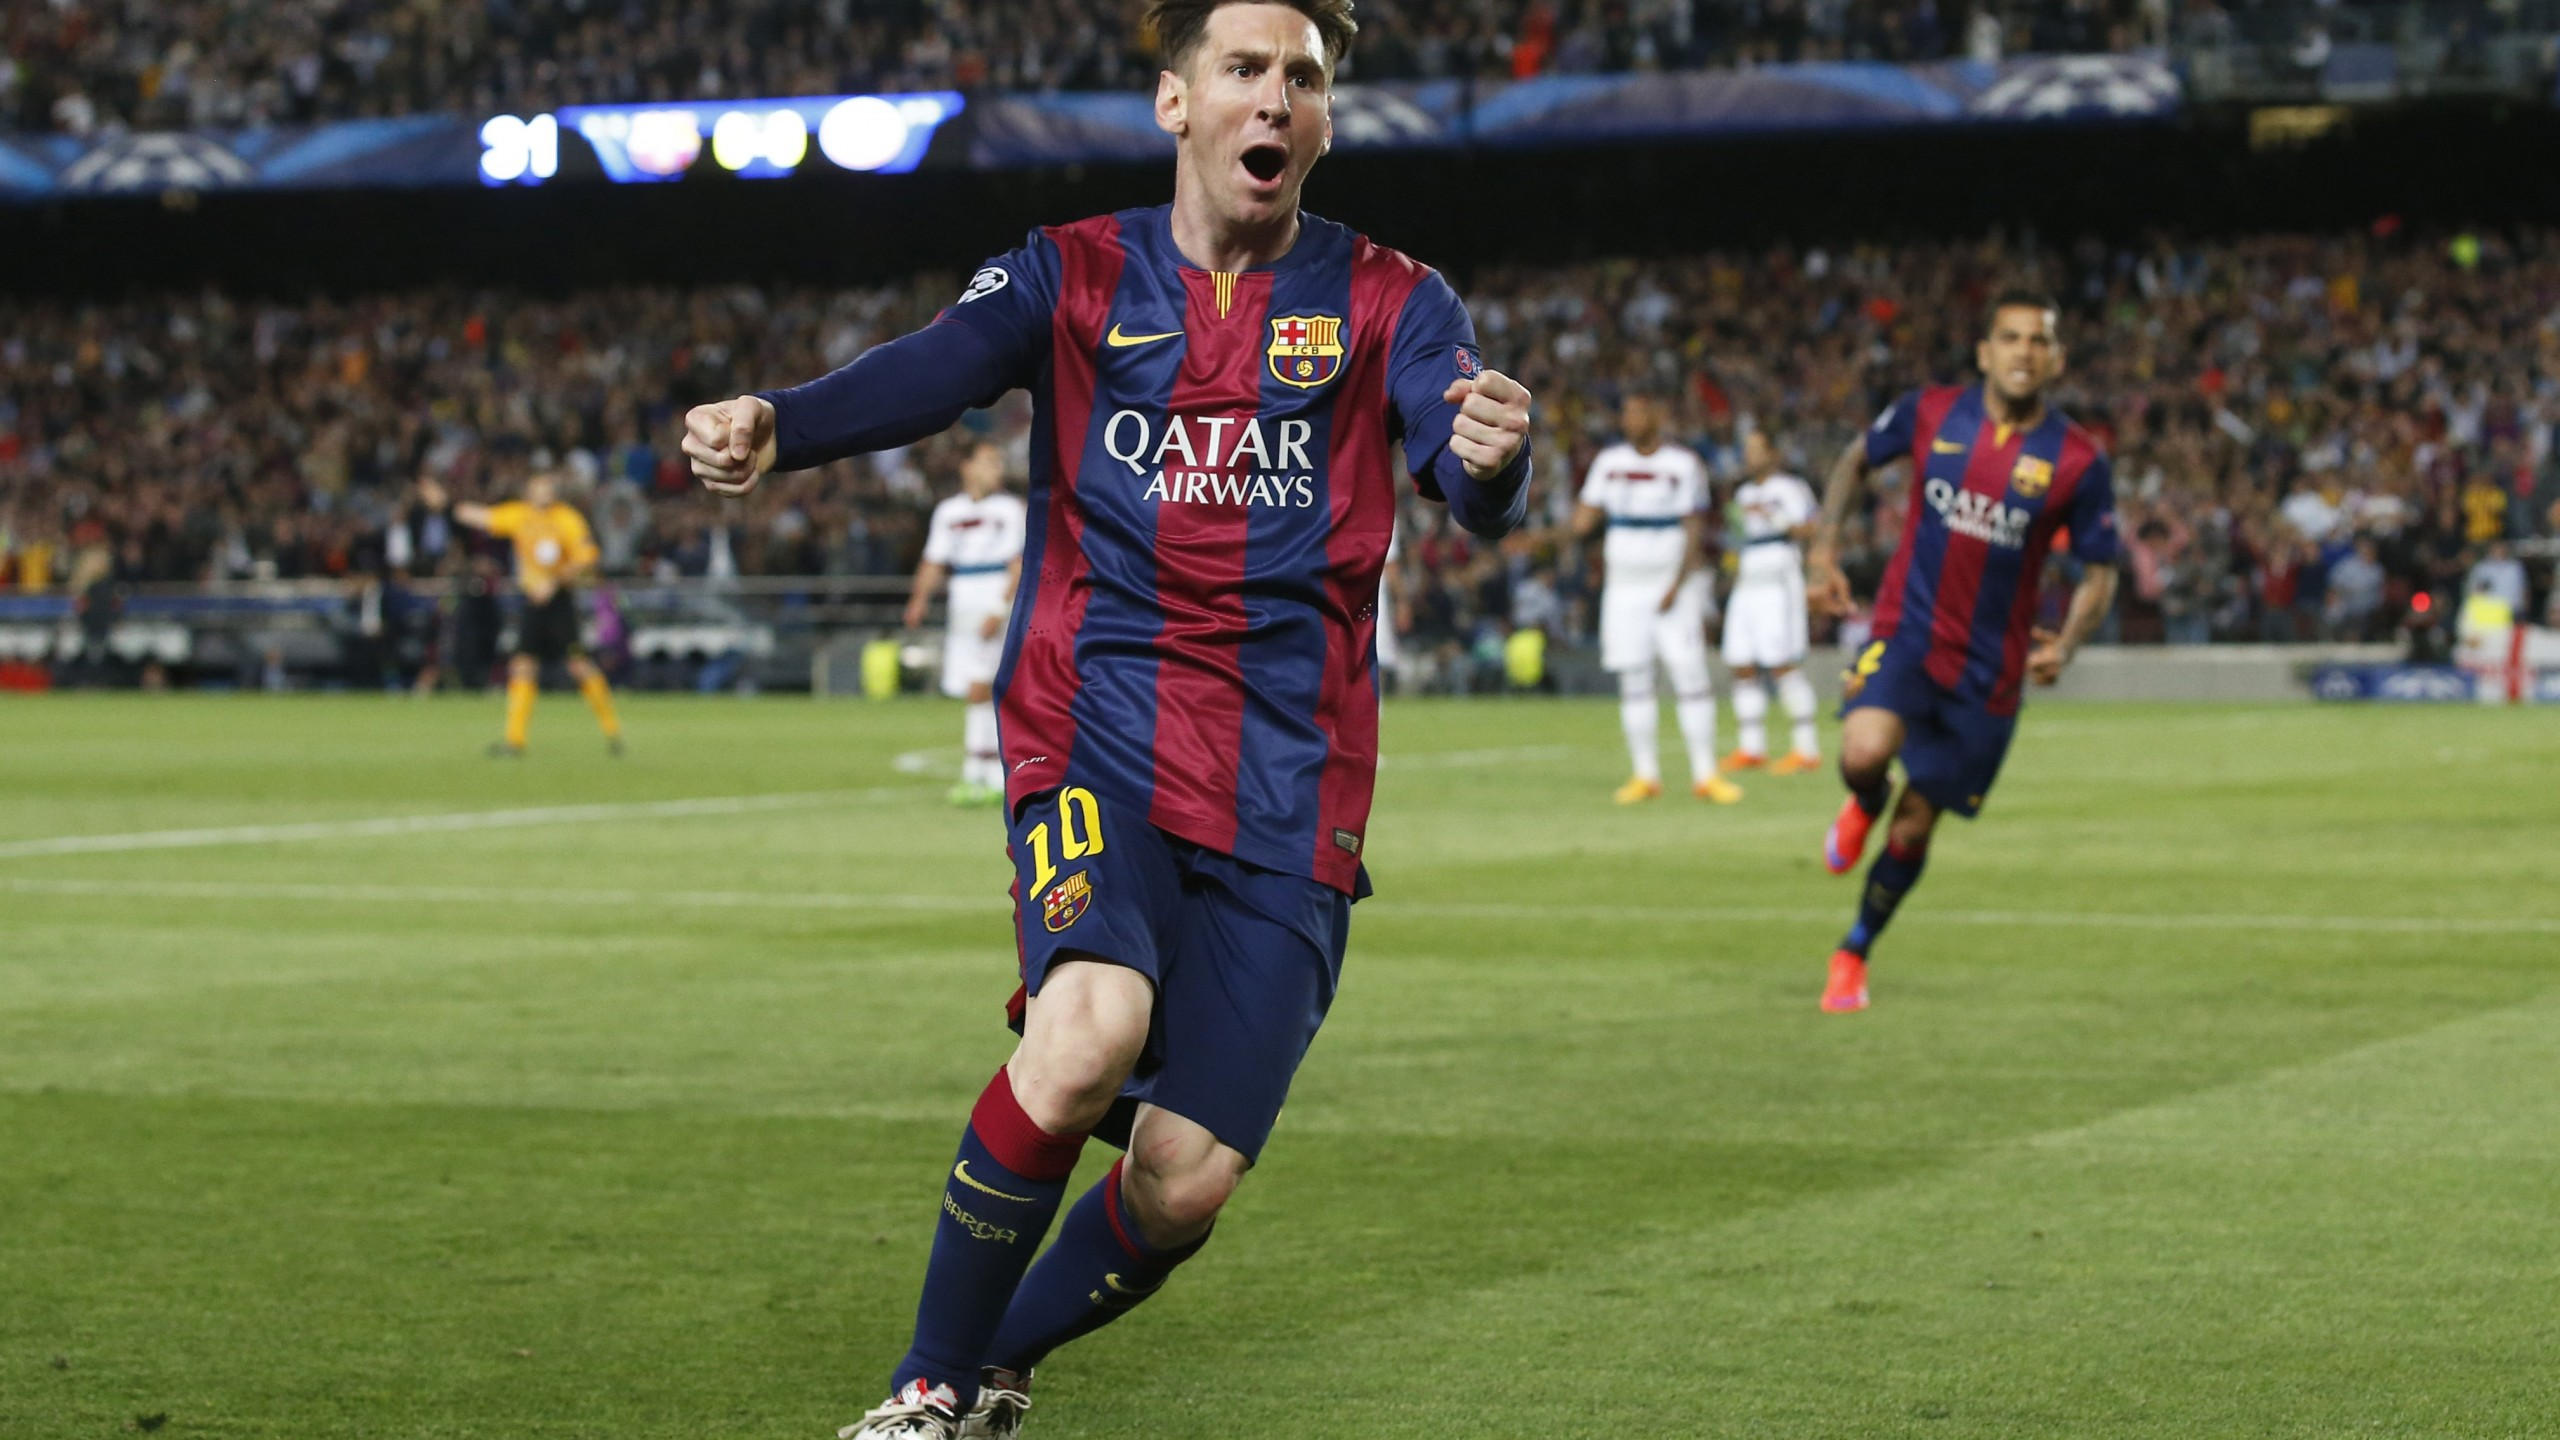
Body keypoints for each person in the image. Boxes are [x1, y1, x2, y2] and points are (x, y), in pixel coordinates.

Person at [679, 2, 1535, 1434]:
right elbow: (937, 366)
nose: (1276, 98)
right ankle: (923, 1389)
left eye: (1304, 78)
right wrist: (784, 420)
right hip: (1098, 732)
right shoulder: (1068, 271)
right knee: (1085, 1033)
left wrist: (1493, 458)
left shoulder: (1392, 296)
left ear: (1325, 122)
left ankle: (995, 1362)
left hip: (1292, 781)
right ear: (1175, 102)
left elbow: (1461, 453)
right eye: (1245, 69)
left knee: (1183, 1179)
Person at [1805, 290, 2120, 1013]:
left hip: (1989, 672)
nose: (2023, 352)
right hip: (1909, 631)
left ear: (2057, 359)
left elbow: (2101, 571)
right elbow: (1855, 460)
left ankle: (1853, 951)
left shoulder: (2078, 460)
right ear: (1984, 352)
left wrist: (2068, 645)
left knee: (1916, 824)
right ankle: (1864, 799)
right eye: (2010, 337)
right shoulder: (1931, 411)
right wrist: (1822, 553)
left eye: (2038, 340)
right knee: (1863, 752)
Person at [1569, 389, 1739, 805]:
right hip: (1624, 588)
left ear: (1657, 416)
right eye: (1626, 412)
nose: (1630, 420)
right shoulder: (1609, 463)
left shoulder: (1682, 464)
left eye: (1639, 412)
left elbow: (1694, 528)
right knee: (1634, 680)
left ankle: (1706, 774)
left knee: (1690, 675)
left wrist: (1678, 583)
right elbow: (1582, 520)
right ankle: (1645, 775)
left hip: (1670, 587)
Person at [419, 472, 624, 757]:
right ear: (529, 491)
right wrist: (445, 504)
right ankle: (514, 740)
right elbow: (479, 516)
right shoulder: (520, 515)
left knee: (578, 665)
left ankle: (612, 731)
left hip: (560, 602)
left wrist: (555, 581)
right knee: (523, 666)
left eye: (549, 486)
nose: (546, 491)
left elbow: (587, 556)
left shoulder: (567, 518)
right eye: (540, 486)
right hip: (532, 603)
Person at [905, 440, 1027, 806]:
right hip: (961, 601)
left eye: (998, 462)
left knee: (983, 685)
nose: (996, 469)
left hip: (993, 595)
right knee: (972, 687)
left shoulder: (1009, 509)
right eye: (988, 462)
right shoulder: (949, 511)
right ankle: (987, 771)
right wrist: (918, 600)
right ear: (967, 467)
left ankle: (980, 771)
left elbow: (1017, 564)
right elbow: (934, 560)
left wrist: (999, 609)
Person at [1719, 429, 1823, 773]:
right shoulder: (1744, 493)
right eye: (1746, 450)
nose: (1750, 456)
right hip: (1748, 577)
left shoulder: (1790, 488)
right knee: (1741, 661)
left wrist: (1777, 519)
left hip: (1778, 578)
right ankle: (1752, 747)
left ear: (1773, 454)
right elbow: (1737, 534)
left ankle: (1806, 748)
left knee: (1781, 661)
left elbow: (1811, 527)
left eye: (1756, 449)